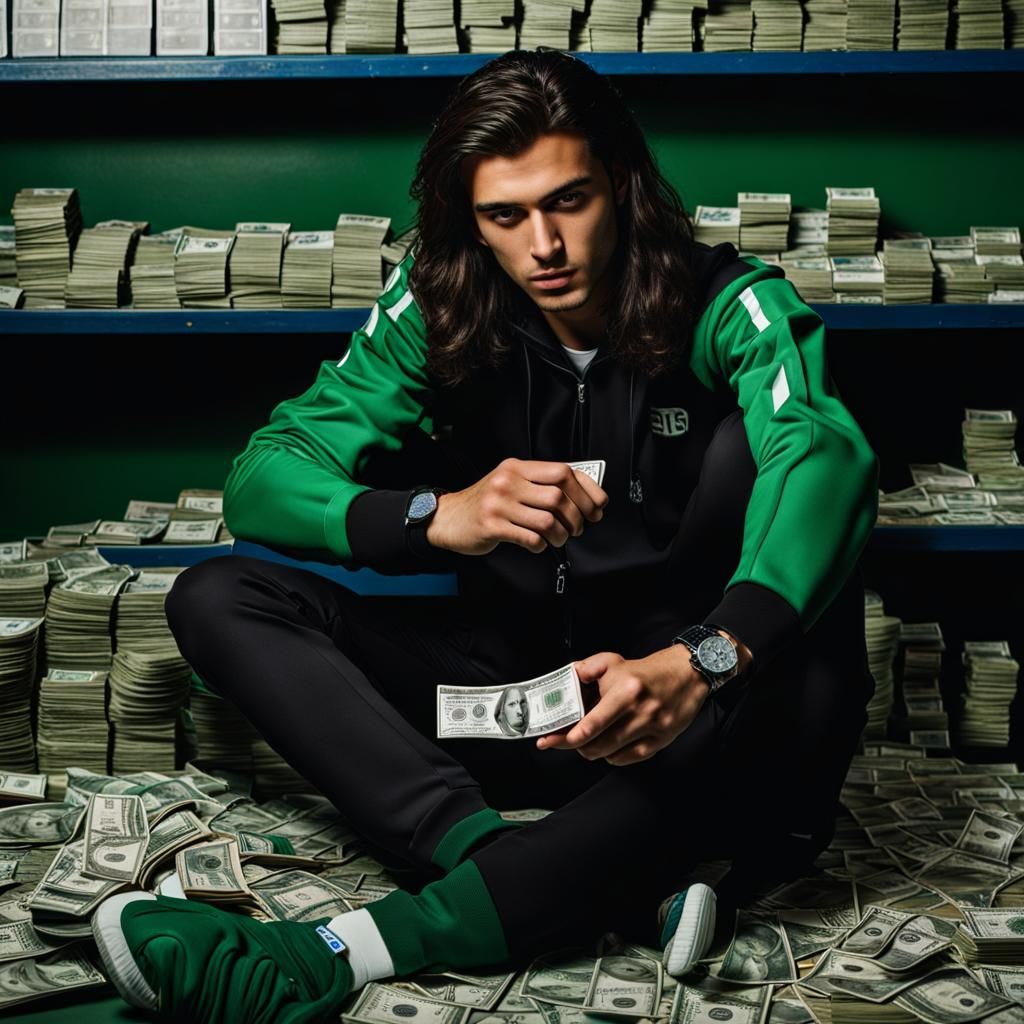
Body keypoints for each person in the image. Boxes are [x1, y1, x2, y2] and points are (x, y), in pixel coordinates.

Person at [93, 49, 877, 1023]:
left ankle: (335, 954)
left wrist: (699, 658)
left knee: (783, 556)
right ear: (472, 223)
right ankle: (497, 856)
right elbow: (264, 477)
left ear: (622, 188)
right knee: (217, 593)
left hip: (679, 710)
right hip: (511, 705)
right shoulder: (439, 305)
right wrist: (437, 514)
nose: (542, 244)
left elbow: (822, 449)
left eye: (569, 202)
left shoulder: (729, 299)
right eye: (504, 217)